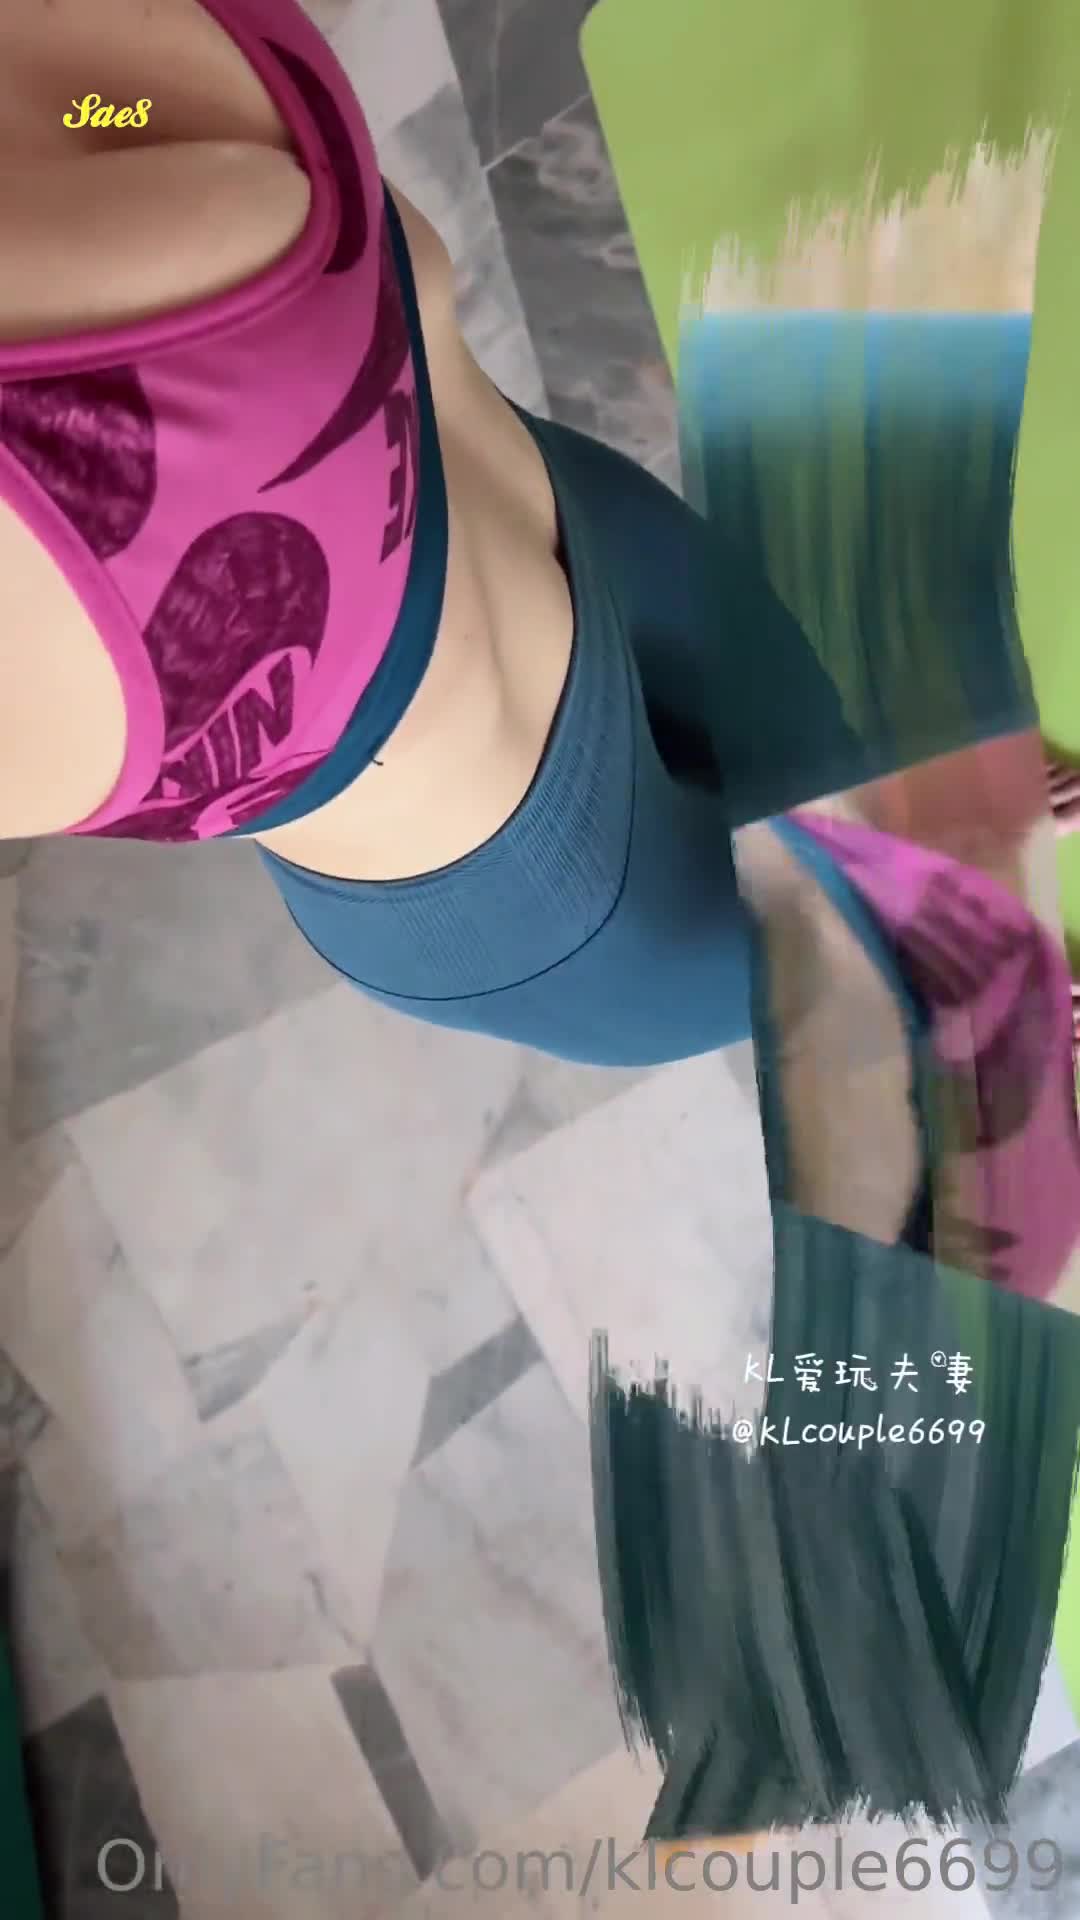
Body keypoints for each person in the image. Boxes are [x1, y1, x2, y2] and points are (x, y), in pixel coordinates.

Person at [0, 0, 873, 1073]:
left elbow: (110, 120)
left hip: (566, 520)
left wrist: (105, 115)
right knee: (887, 954)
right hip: (555, 895)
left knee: (860, 748)